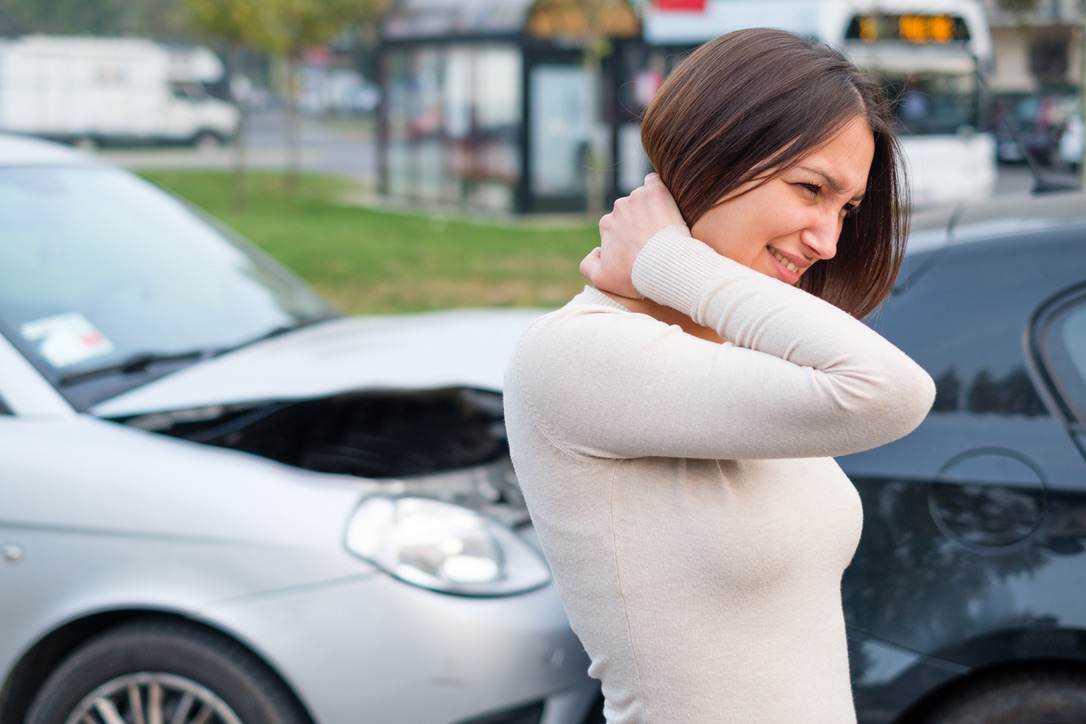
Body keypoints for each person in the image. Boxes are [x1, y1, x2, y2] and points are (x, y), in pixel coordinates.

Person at [501, 27, 937, 723]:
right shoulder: (576, 357)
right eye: (810, 190)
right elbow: (892, 393)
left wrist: (683, 272)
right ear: (715, 151)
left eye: (846, 209)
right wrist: (672, 262)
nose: (828, 240)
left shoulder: (739, 353)